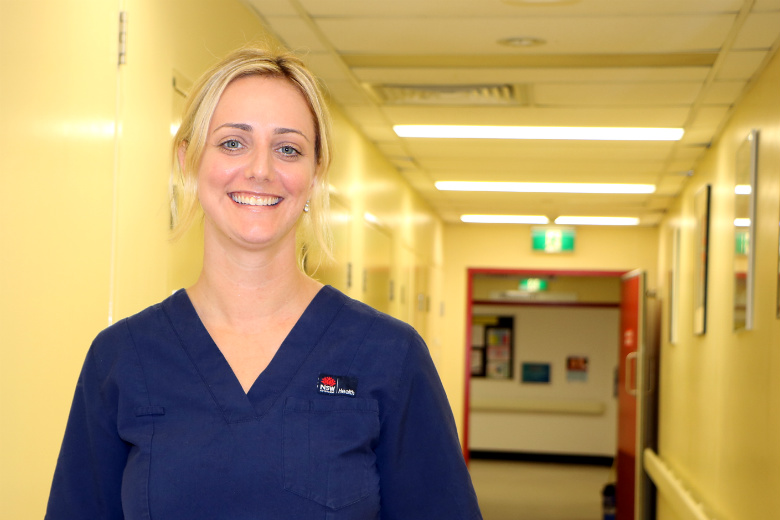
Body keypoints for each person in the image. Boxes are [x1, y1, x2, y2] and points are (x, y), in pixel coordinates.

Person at [45, 45, 483, 520]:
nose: (260, 169)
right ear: (189, 159)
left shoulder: (389, 356)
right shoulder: (121, 358)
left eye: (288, 148)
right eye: (233, 142)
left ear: (316, 174)